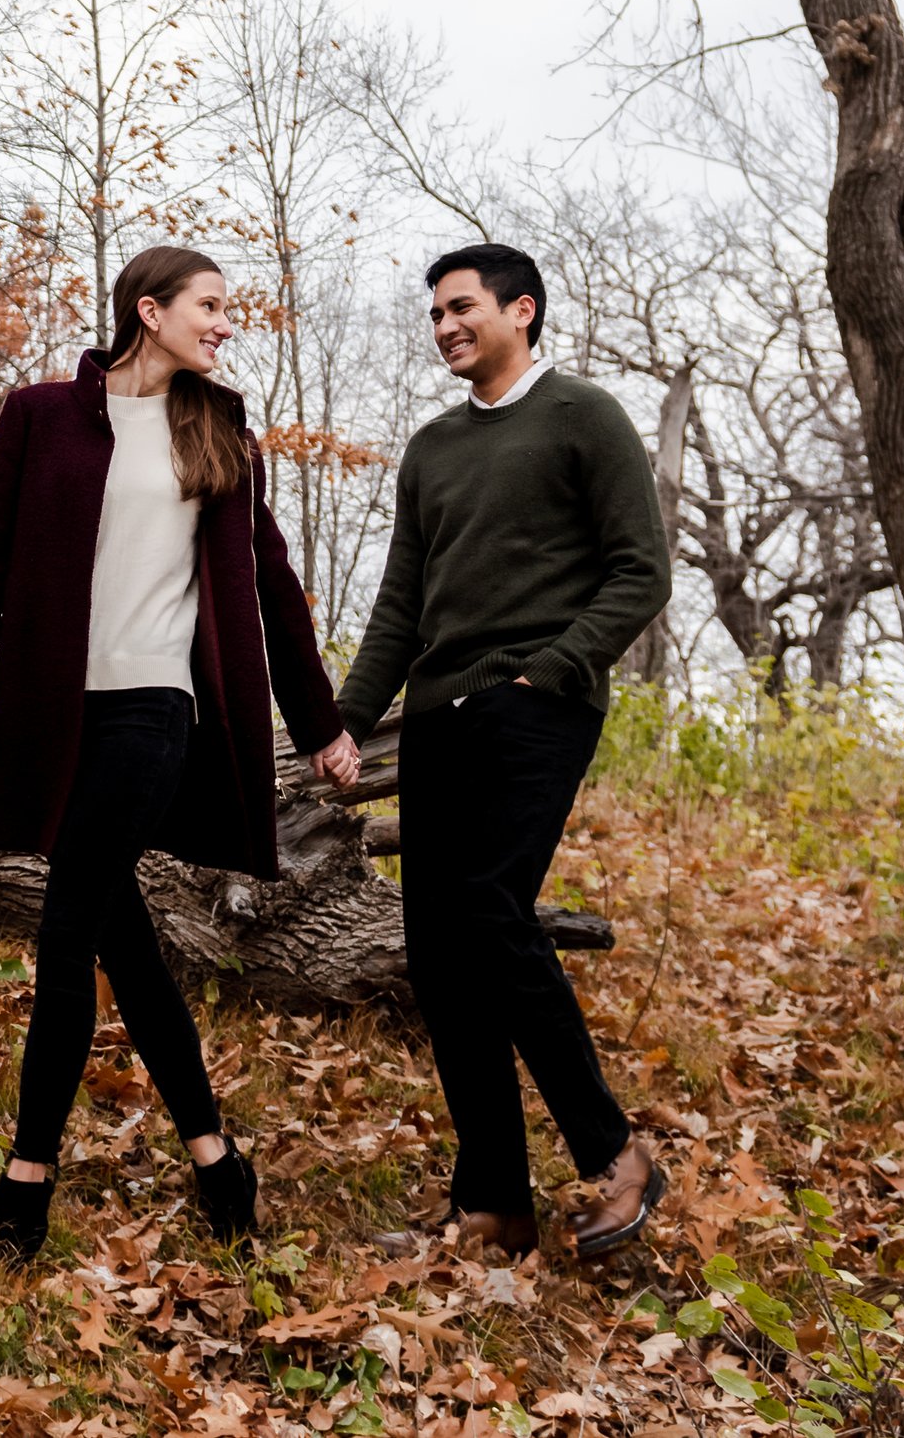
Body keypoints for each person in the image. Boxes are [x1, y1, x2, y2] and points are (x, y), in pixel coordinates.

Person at [0, 244, 360, 1261]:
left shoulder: (220, 431)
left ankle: (24, 1189)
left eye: (226, 310)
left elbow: (274, 589)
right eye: (209, 306)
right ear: (147, 312)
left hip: (156, 715)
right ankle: (215, 1159)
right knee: (123, 939)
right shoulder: (38, 417)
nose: (224, 324)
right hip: (53, 713)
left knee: (66, 932)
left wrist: (322, 723)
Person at [336, 245, 673, 1261]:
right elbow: (401, 604)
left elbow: (639, 571)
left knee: (488, 910)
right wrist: (348, 718)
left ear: (520, 311)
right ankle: (491, 1204)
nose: (443, 326)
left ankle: (615, 1154)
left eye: (462, 307)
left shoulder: (584, 417)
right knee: (442, 961)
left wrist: (554, 668)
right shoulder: (432, 448)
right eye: (434, 312)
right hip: (436, 717)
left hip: (534, 706)